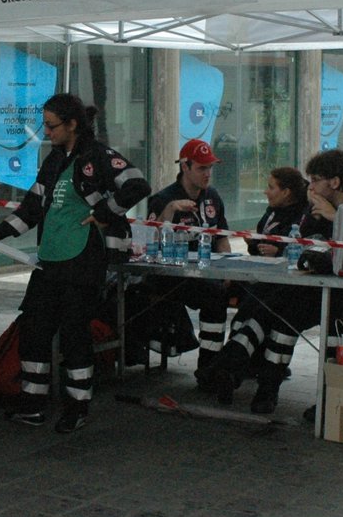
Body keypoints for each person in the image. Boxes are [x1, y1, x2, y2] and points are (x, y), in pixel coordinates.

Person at [0, 94, 149, 432]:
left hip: (83, 259)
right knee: (34, 329)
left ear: (72, 125)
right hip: (50, 259)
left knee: (74, 335)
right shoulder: (53, 160)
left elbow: (137, 185)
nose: (46, 132)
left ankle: (77, 407)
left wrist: (103, 214)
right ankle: (33, 403)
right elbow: (32, 207)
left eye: (52, 126)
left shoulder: (98, 156)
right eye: (45, 125)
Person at [195, 166, 330, 413]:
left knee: (274, 321)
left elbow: (317, 248)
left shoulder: (319, 212)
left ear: (335, 183)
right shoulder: (283, 212)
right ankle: (232, 372)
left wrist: (281, 251)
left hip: (308, 289)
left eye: (317, 181)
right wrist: (258, 246)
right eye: (310, 182)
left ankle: (247, 378)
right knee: (252, 314)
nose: (311, 187)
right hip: (274, 283)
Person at [130, 139, 233, 371]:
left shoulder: (213, 197)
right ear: (185, 167)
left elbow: (222, 236)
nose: (208, 174)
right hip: (170, 274)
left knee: (245, 292)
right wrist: (169, 212)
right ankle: (209, 367)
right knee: (214, 295)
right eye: (202, 168)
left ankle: (234, 363)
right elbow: (147, 241)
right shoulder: (164, 198)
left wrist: (228, 268)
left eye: (210, 168)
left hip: (206, 272)